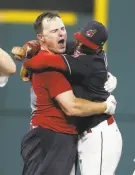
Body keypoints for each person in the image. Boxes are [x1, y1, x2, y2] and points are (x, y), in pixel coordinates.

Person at [12, 12, 117, 175]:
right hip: (49, 137)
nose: (61, 33)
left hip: (64, 136)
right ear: (42, 37)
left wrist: (28, 60)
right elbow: (72, 107)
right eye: (55, 31)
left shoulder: (79, 60)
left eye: (62, 28)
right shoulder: (51, 67)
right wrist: (105, 106)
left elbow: (41, 52)